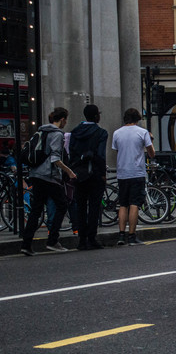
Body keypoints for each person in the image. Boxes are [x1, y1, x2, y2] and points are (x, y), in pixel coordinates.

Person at [20, 107, 77, 256]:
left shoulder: (41, 131)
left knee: (36, 210)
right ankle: (52, 240)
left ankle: (26, 244)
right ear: (63, 119)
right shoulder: (57, 134)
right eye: (66, 120)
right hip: (49, 176)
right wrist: (69, 171)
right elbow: (55, 158)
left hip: (36, 174)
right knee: (62, 204)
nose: (65, 123)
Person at [112, 108, 155, 246]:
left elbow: (117, 151)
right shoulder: (142, 132)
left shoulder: (117, 133)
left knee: (123, 204)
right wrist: (150, 140)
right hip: (137, 172)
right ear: (137, 119)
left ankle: (120, 235)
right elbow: (151, 153)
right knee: (135, 204)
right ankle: (132, 235)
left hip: (122, 172)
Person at [69, 104, 108, 250]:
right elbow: (100, 155)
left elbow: (71, 153)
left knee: (80, 206)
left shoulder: (75, 132)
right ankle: (92, 237)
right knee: (94, 207)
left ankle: (82, 239)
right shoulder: (101, 133)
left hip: (79, 174)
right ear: (96, 116)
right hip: (95, 173)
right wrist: (103, 174)